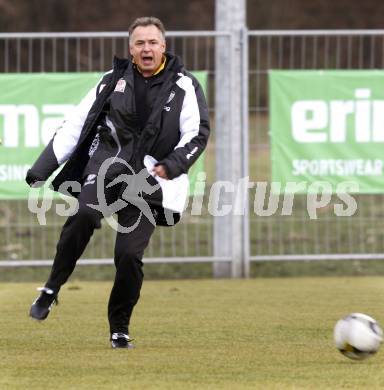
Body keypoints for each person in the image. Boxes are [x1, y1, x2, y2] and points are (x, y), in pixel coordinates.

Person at [26, 16, 210, 349]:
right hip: (107, 168)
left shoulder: (185, 86)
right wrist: (42, 167)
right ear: (131, 48)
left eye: (153, 42)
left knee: (128, 256)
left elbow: (197, 134)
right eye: (140, 43)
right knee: (83, 215)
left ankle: (119, 328)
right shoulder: (112, 80)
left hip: (150, 182)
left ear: (164, 46)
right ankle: (52, 288)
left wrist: (173, 165)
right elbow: (75, 125)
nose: (147, 48)